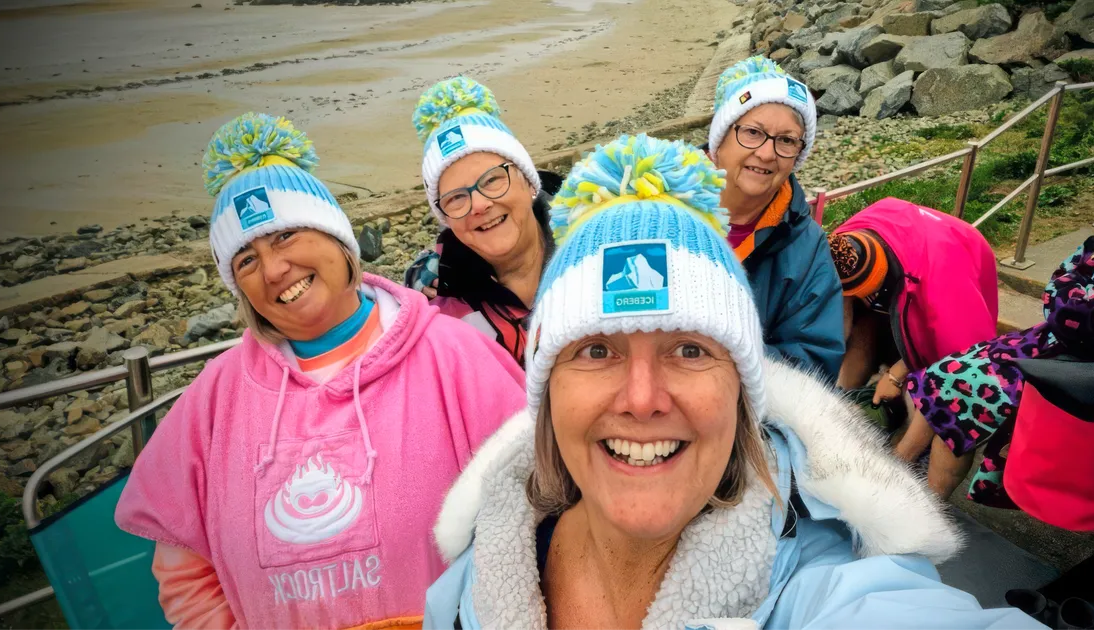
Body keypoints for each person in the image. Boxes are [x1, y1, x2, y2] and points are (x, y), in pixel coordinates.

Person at [422, 134, 1041, 629]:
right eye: (596, 350)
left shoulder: (823, 581)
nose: (642, 400)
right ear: (546, 390)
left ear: (745, 387)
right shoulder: (468, 585)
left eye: (690, 349)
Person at [114, 113, 526, 629]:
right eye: (245, 260)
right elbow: (185, 573)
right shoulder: (216, 396)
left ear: (338, 239)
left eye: (285, 237)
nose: (272, 270)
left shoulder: (454, 357)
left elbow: (532, 508)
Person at [895, 236, 1094, 502]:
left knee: (959, 393)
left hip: (1076, 364)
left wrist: (1070, 292)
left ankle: (925, 500)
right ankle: (901, 464)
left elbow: (1071, 308)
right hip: (1052, 340)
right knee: (946, 370)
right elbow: (1061, 290)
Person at [705, 56, 844, 380]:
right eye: (752, 132)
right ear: (719, 141)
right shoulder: (657, 212)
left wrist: (703, 355)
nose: (767, 154)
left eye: (786, 140)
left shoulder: (806, 248)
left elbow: (814, 360)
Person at [404, 76, 557, 366]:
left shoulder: (593, 248)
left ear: (528, 181)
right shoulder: (435, 304)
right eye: (456, 198)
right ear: (445, 218)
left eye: (492, 180)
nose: (479, 205)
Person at [831, 197, 1000, 418]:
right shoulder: (843, 242)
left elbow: (964, 356)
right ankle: (840, 400)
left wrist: (896, 374)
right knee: (866, 325)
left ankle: (904, 450)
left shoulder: (944, 280)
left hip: (957, 256)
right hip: (910, 246)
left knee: (946, 382)